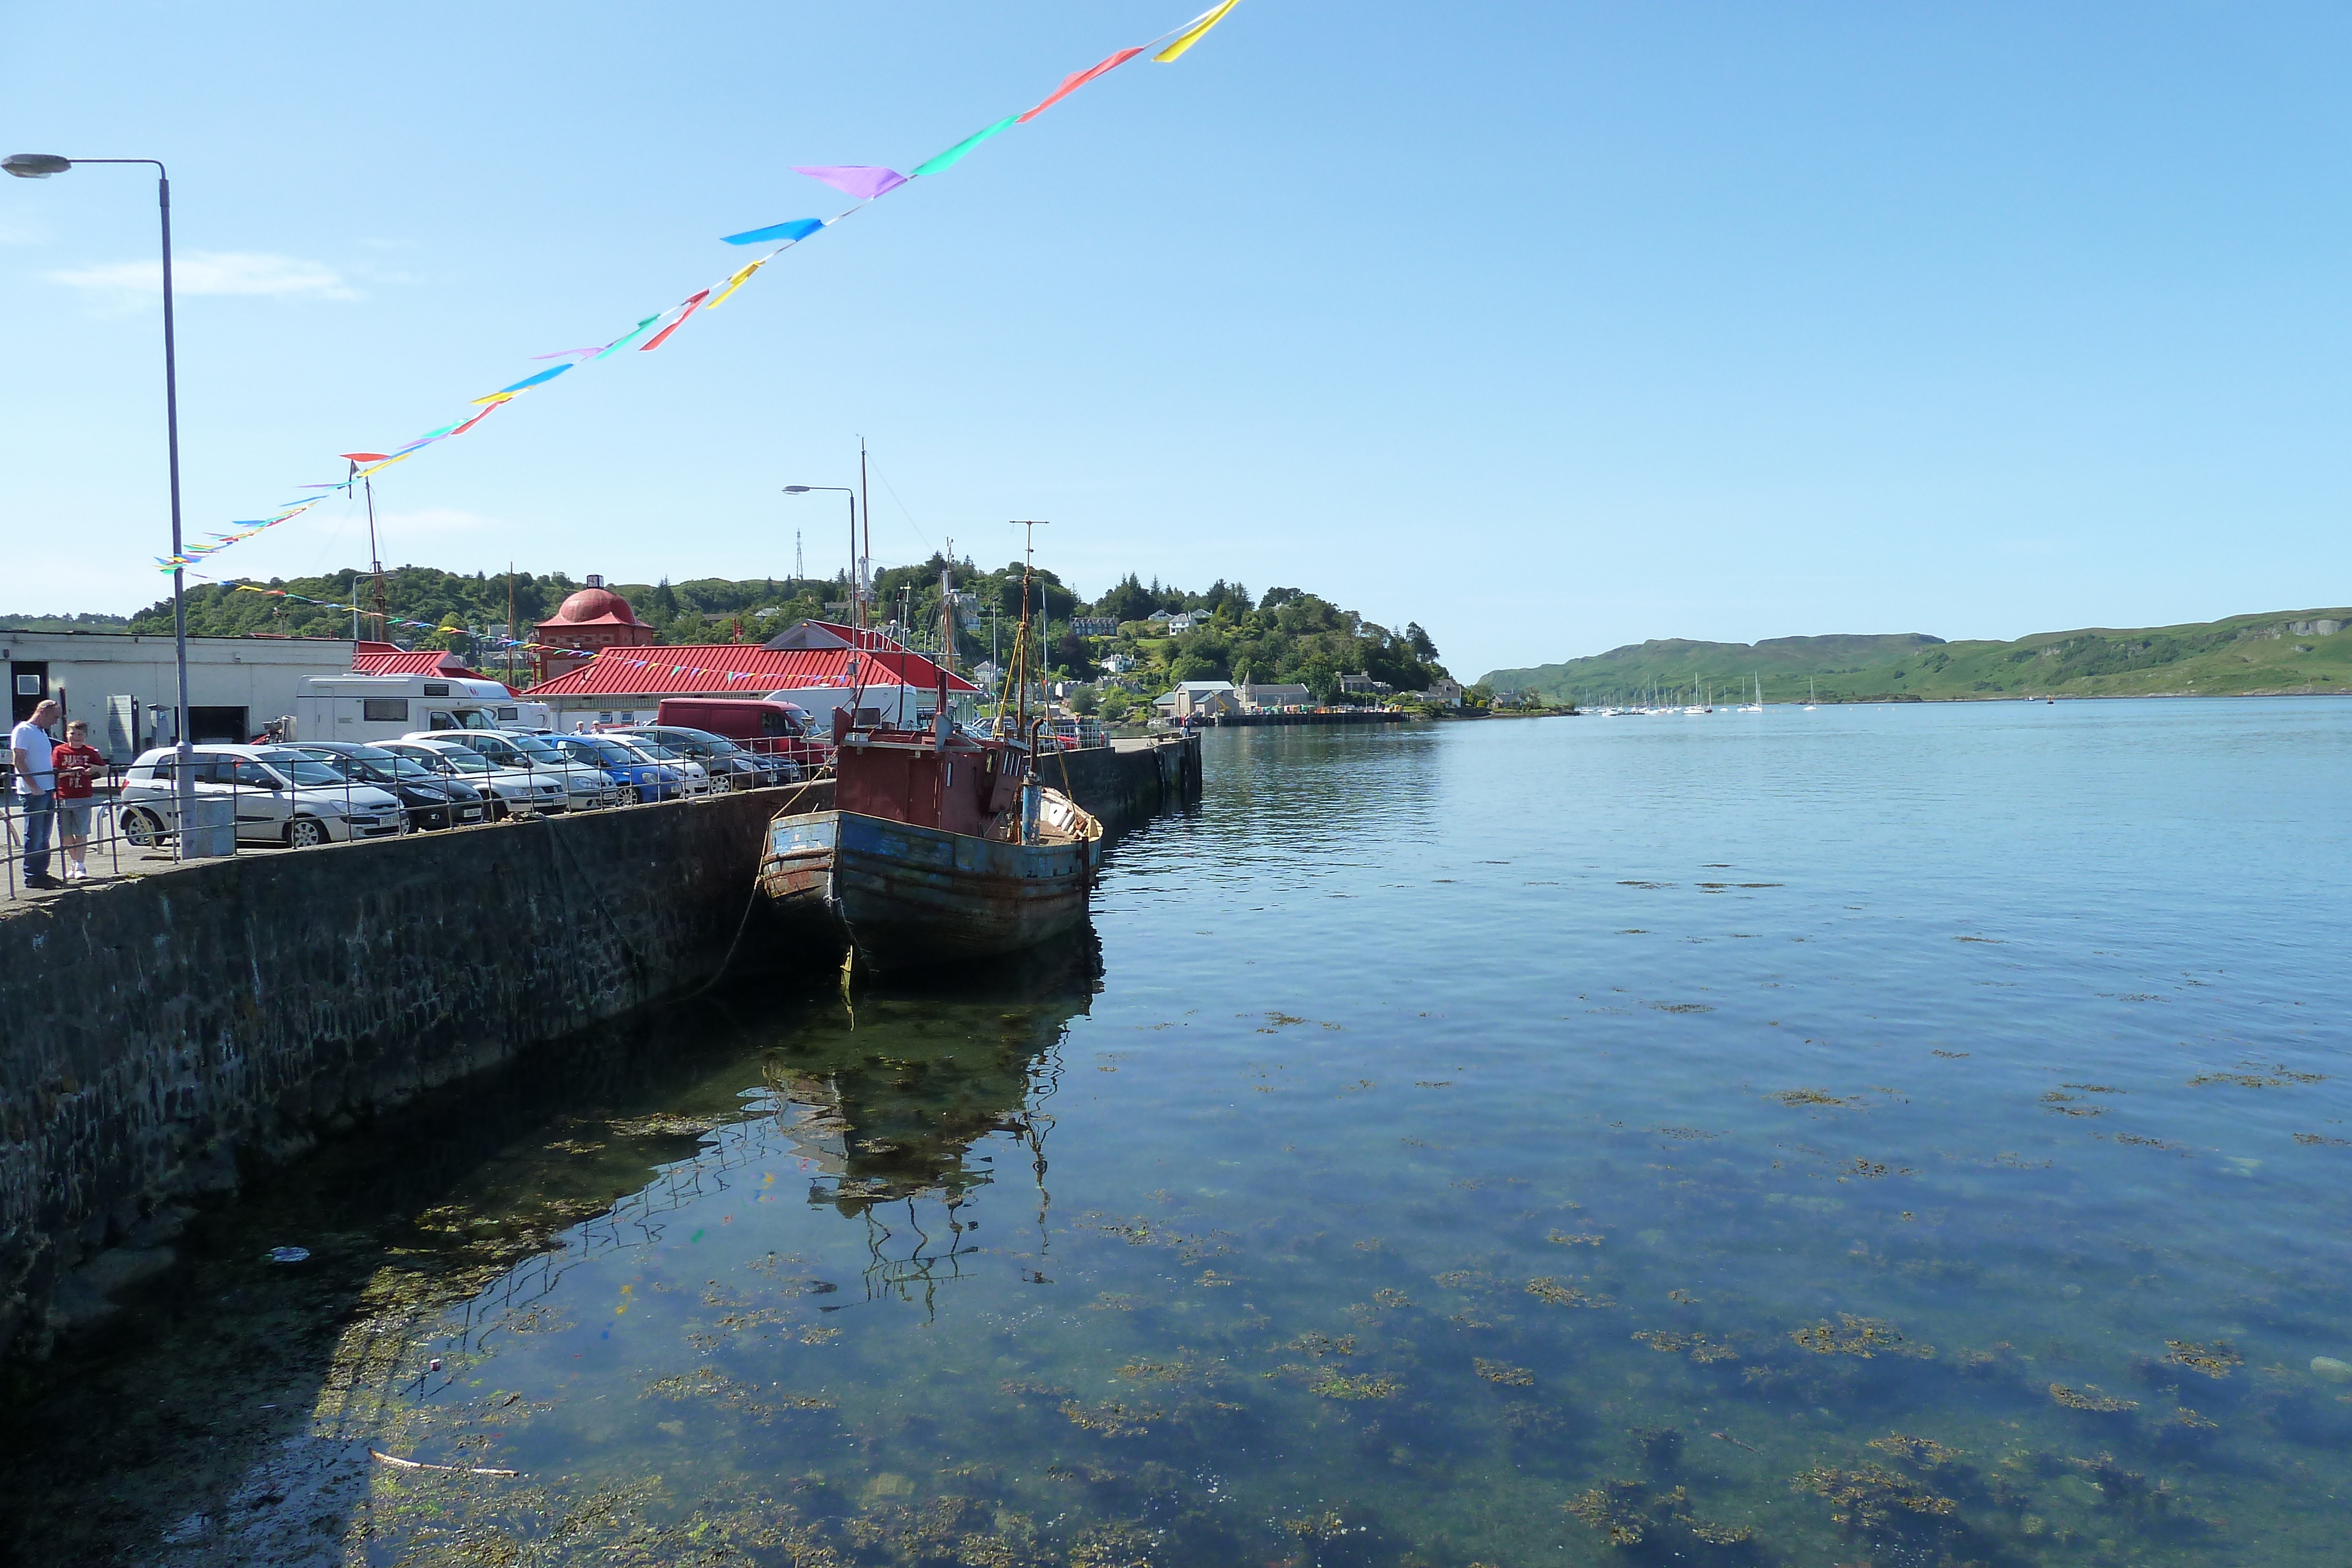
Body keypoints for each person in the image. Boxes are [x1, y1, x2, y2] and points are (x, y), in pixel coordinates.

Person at [10, 698, 61, 889]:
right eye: (54, 716)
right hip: (34, 792)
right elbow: (19, 760)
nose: (56, 721)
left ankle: (42, 872)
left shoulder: (41, 733)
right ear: (43, 712)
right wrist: (33, 786)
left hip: (47, 789)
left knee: (45, 834)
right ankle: (32, 875)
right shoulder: (23, 730)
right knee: (35, 833)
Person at [52, 718, 106, 882]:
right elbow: (54, 773)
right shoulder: (59, 751)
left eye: (79, 734)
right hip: (63, 796)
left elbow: (105, 770)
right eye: (72, 733)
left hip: (83, 796)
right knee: (66, 834)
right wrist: (70, 771)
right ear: (67, 733)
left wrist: (94, 769)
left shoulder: (90, 752)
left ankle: (80, 865)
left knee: (81, 832)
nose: (75, 737)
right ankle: (75, 863)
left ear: (85, 736)